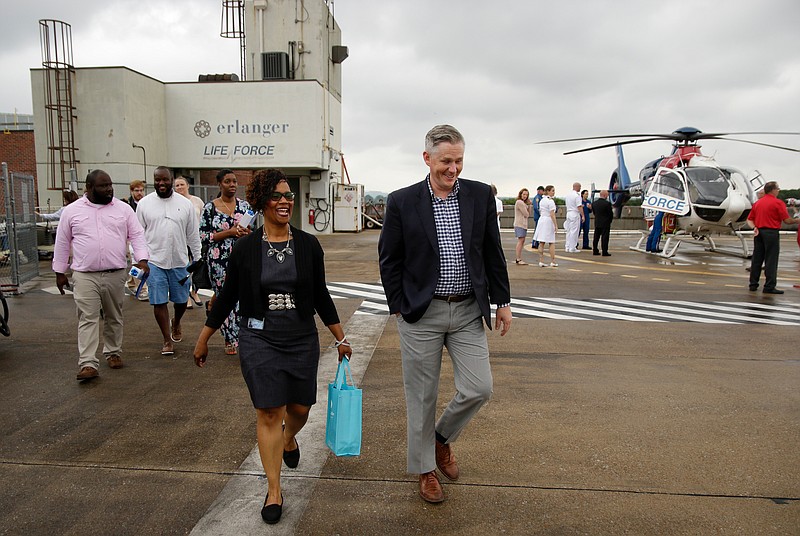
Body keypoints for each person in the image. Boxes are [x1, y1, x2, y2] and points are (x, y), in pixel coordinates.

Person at [193, 169, 351, 525]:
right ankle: (274, 489)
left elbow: (322, 295)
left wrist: (340, 337)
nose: (285, 202)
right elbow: (227, 296)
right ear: (262, 202)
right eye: (277, 196)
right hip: (259, 338)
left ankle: (289, 438)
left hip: (300, 337)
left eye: (288, 196)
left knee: (300, 407)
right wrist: (204, 338)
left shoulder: (308, 245)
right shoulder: (246, 248)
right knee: (268, 411)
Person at [378, 125, 512, 504]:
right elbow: (390, 259)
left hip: (469, 309)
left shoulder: (479, 195)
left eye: (458, 161)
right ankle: (425, 470)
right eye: (446, 161)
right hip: (422, 312)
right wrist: (399, 307)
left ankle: (439, 439)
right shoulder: (402, 201)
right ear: (427, 159)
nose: (453, 169)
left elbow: (492, 252)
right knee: (421, 395)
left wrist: (502, 302)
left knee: (479, 387)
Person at [52, 170, 149, 381]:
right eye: (103, 186)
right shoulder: (72, 211)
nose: (108, 189)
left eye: (110, 185)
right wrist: (60, 272)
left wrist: (142, 259)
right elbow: (62, 241)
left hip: (115, 273)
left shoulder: (123, 209)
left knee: (114, 315)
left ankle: (113, 351)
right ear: (89, 188)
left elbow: (137, 235)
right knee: (88, 317)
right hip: (84, 274)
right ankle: (87, 363)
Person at [136, 166, 202, 355]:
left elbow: (192, 234)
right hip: (155, 261)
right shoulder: (145, 204)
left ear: (171, 180)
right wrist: (139, 259)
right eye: (157, 180)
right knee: (159, 302)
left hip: (180, 261)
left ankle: (177, 322)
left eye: (165, 180)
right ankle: (166, 339)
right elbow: (137, 234)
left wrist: (197, 257)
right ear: (154, 181)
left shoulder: (185, 204)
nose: (161, 183)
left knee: (181, 301)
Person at [199, 169, 253, 355]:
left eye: (235, 182)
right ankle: (230, 338)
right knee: (225, 298)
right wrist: (229, 232)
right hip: (218, 260)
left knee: (241, 297)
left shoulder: (244, 206)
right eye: (228, 181)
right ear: (219, 184)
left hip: (241, 258)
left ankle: (239, 336)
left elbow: (252, 232)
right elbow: (204, 236)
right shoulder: (210, 208)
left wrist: (245, 232)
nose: (232, 185)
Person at [746, 181, 798, 294]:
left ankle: (753, 284)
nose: (779, 190)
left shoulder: (758, 203)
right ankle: (769, 286)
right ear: (773, 190)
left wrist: (754, 227)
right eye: (778, 188)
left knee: (757, 259)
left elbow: (749, 219)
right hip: (771, 232)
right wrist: (797, 220)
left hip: (759, 232)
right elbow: (787, 221)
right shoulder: (778, 203)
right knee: (771, 260)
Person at [175, 176, 206, 309]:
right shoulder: (174, 203)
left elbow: (203, 218)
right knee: (184, 268)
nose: (180, 187)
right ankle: (186, 296)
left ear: (188, 186)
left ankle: (195, 291)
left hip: (196, 239)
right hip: (180, 240)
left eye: (182, 184)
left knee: (198, 267)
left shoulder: (197, 201)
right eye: (177, 185)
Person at [533, 185, 558, 267]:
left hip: (542, 220)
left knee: (541, 242)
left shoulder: (542, 200)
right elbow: (552, 214)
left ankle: (541, 260)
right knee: (551, 242)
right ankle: (553, 261)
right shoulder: (550, 201)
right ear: (548, 191)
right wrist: (556, 225)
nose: (553, 192)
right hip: (548, 221)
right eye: (552, 190)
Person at [513, 188, 532, 264]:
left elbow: (528, 213)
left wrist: (529, 205)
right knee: (521, 241)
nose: (525, 196)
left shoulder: (523, 203)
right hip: (520, 224)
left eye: (526, 195)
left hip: (522, 224)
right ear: (520, 194)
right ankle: (518, 258)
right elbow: (526, 214)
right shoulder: (519, 202)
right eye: (524, 194)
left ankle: (519, 258)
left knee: (522, 240)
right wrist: (529, 206)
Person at [592, 190, 613, 256]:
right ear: (605, 195)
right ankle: (604, 251)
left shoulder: (594, 203)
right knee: (605, 237)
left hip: (597, 222)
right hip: (605, 223)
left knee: (596, 237)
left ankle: (595, 250)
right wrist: (609, 221)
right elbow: (610, 214)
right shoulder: (607, 204)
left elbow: (594, 213)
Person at [564, 182, 583, 252]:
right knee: (574, 231)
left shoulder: (568, 195)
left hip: (569, 213)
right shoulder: (577, 196)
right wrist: (583, 215)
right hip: (575, 213)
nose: (580, 188)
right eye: (580, 187)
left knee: (568, 230)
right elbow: (579, 206)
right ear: (577, 187)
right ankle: (572, 247)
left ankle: (567, 246)